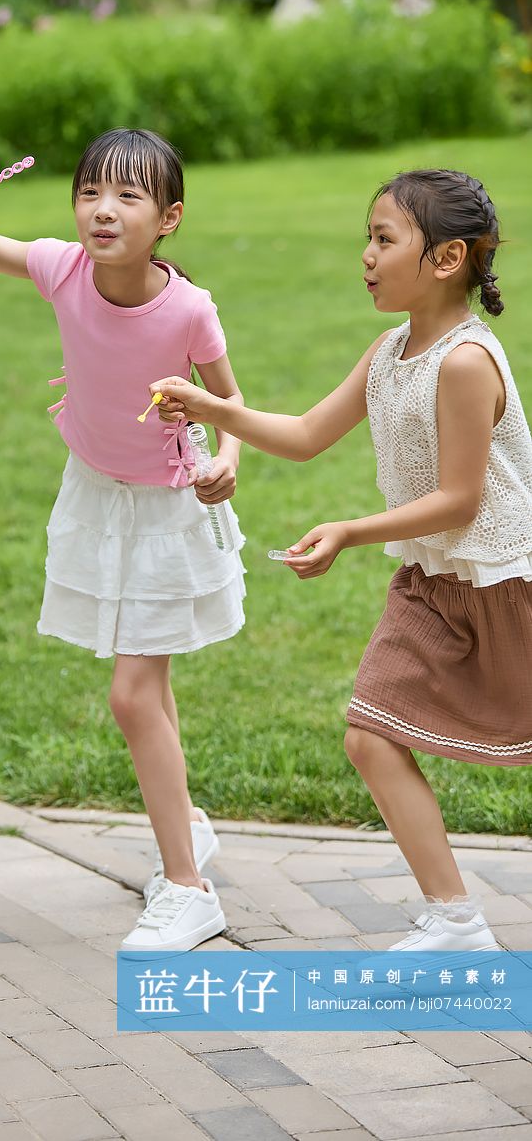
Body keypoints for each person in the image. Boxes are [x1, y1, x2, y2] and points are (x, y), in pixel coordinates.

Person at [151, 168, 532, 953]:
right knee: (369, 733)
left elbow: (460, 499)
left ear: (445, 257)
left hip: (502, 584)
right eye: (368, 236)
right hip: (430, 583)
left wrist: (349, 530)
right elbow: (302, 436)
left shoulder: (463, 363)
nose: (365, 254)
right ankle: (456, 918)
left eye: (383, 239)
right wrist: (214, 408)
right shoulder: (390, 348)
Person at [0, 128, 246, 952]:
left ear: (168, 218)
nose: (101, 210)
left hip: (166, 509)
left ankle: (188, 887)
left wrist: (229, 461)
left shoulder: (188, 307)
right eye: (88, 192)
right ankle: (187, 828)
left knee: (131, 693)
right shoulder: (58, 266)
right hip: (95, 497)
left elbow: (231, 405)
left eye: (126, 196)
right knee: (151, 680)